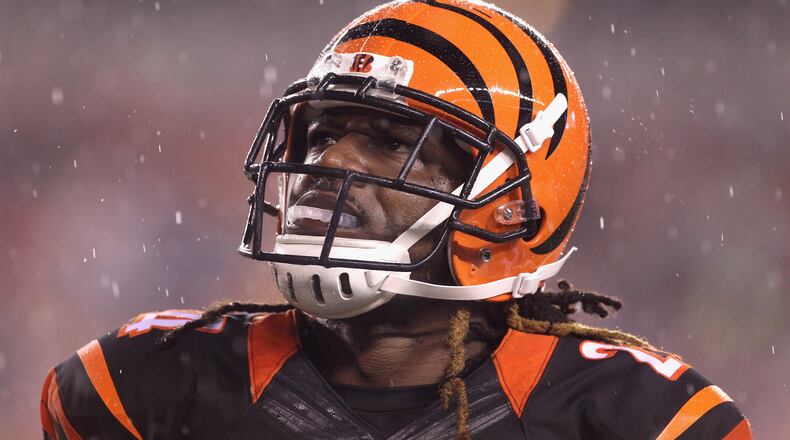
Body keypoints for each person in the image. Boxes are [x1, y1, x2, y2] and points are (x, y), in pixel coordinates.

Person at [40, 1, 752, 439]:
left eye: (388, 143)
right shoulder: (148, 385)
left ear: (510, 206)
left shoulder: (632, 417)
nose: (328, 162)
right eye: (323, 133)